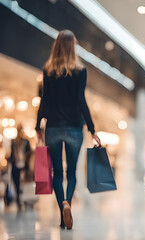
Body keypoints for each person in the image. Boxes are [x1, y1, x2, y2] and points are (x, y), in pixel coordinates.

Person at [35, 30, 101, 229]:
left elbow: (44, 99)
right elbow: (81, 100)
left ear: (56, 46)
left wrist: (38, 125)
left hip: (53, 127)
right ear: (74, 47)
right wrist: (91, 128)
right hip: (74, 128)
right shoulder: (81, 71)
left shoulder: (48, 69)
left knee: (57, 173)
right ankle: (67, 204)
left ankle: (62, 212)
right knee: (71, 173)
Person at [7, 124, 32, 211]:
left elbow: (29, 154)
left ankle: (23, 199)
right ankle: (19, 199)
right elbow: (11, 155)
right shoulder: (13, 141)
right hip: (16, 166)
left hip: (24, 166)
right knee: (17, 184)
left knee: (23, 184)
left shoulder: (26, 142)